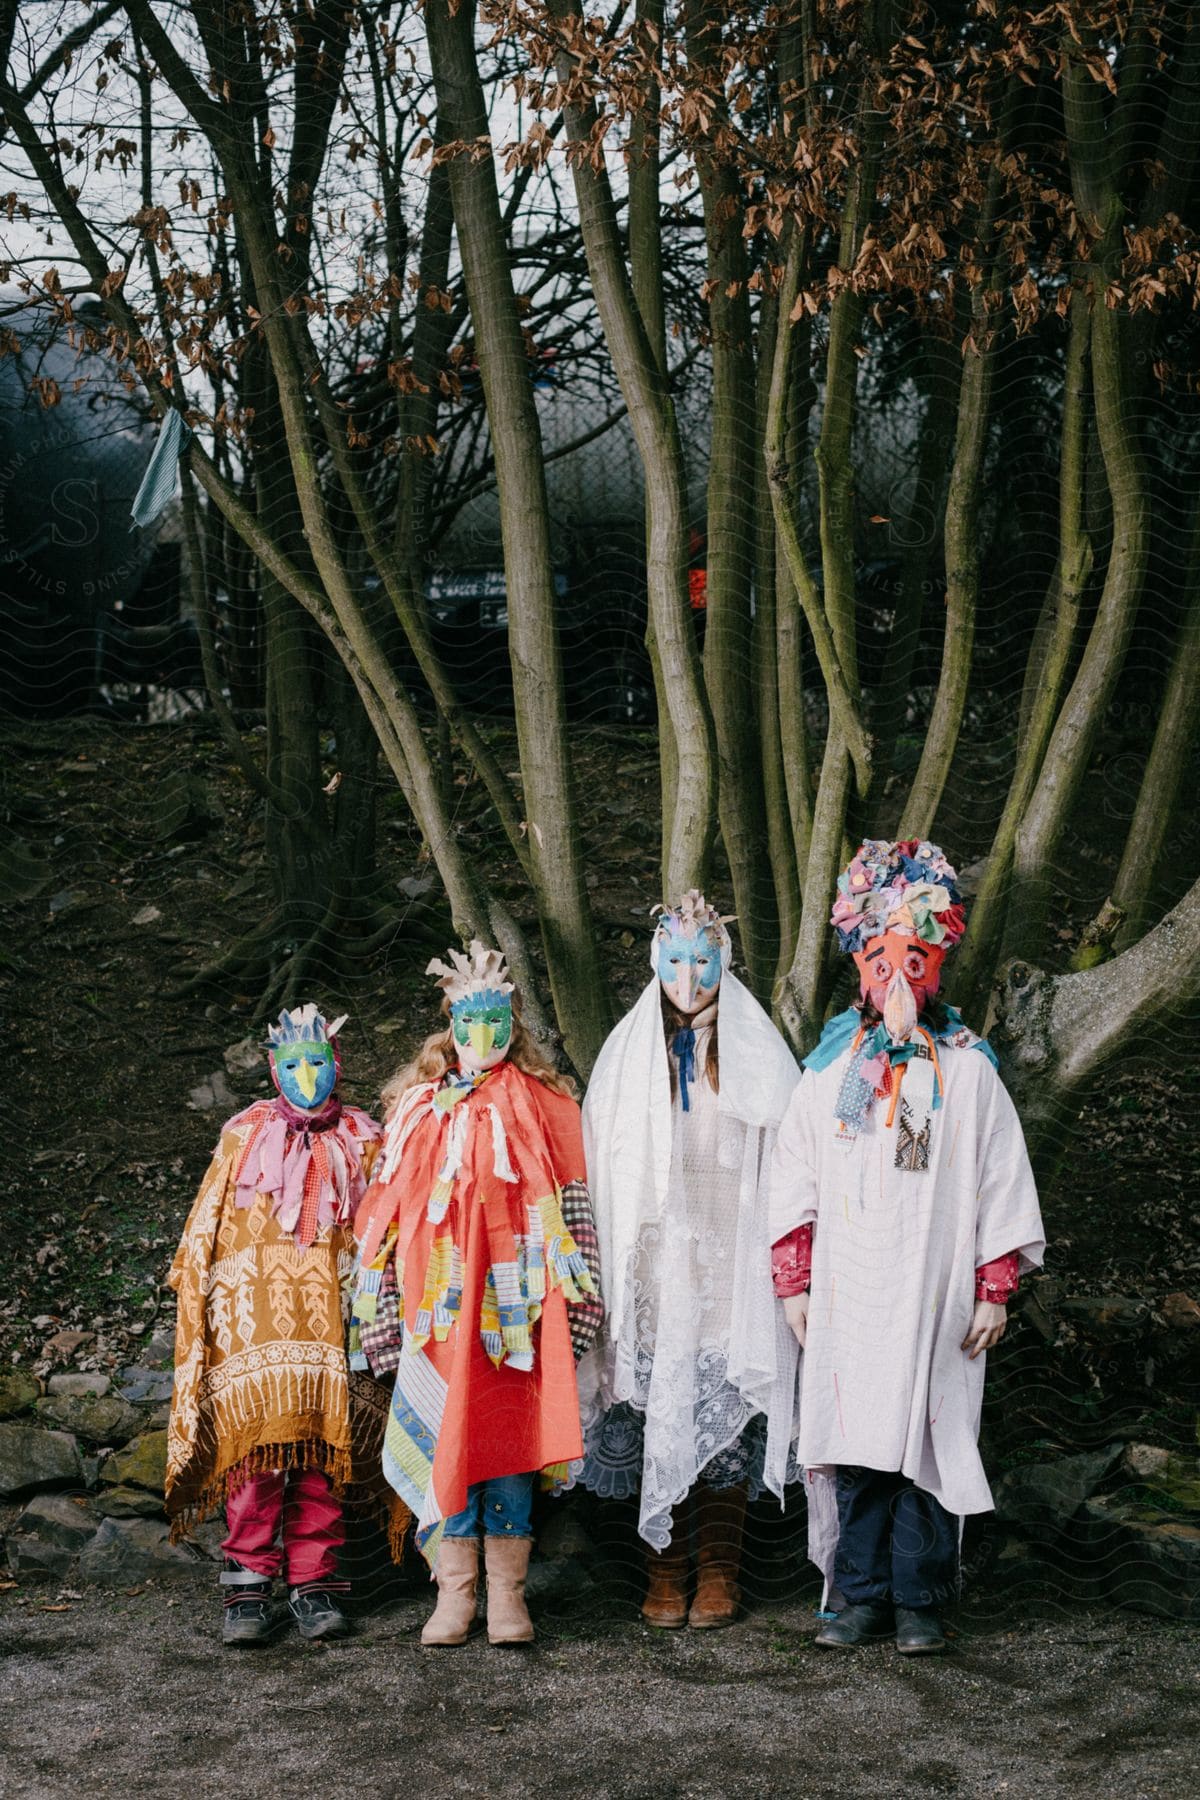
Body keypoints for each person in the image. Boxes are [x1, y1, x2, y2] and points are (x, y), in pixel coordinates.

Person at [768, 840, 1046, 1654]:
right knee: (856, 1445)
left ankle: (921, 1599)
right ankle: (858, 1598)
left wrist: (995, 1286)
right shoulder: (827, 1078)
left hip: (935, 1293)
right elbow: (794, 1180)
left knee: (929, 1440)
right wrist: (795, 1282)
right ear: (861, 966)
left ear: (935, 969)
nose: (898, 982)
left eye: (913, 964)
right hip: (851, 1296)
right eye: (883, 964)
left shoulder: (967, 1075)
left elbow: (1000, 1178)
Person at [352, 942, 601, 1647]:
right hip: (435, 1315)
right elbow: (388, 1212)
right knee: (445, 1439)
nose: (482, 1039)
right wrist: (374, 1308)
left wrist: (581, 1302)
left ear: (513, 1026)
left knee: (510, 1441)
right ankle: (454, 1595)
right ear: (450, 1026)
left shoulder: (548, 1105)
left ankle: (508, 1598)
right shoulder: (416, 1109)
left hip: (518, 1312)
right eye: (470, 1025)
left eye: (497, 1025)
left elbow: (572, 1200)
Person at [578, 891, 801, 1629]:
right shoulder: (627, 1051)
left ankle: (720, 1572)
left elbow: (785, 1155)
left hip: (726, 1271)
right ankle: (664, 1569)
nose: (688, 975)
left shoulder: (756, 1048)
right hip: (655, 1276)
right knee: (655, 1418)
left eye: (702, 960)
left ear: (722, 962)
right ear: (656, 960)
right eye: (674, 959)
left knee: (725, 1425)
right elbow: (608, 1160)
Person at [166, 1004, 385, 1646]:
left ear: (336, 1063)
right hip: (255, 1327)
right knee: (256, 1457)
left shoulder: (364, 1138)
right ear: (272, 1068)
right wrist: (201, 1289)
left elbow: (380, 1226)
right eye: (292, 1064)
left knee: (322, 1456)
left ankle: (314, 1585)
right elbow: (209, 1224)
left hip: (334, 1326)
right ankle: (247, 1591)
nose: (307, 1075)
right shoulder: (243, 1136)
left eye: (318, 1061)